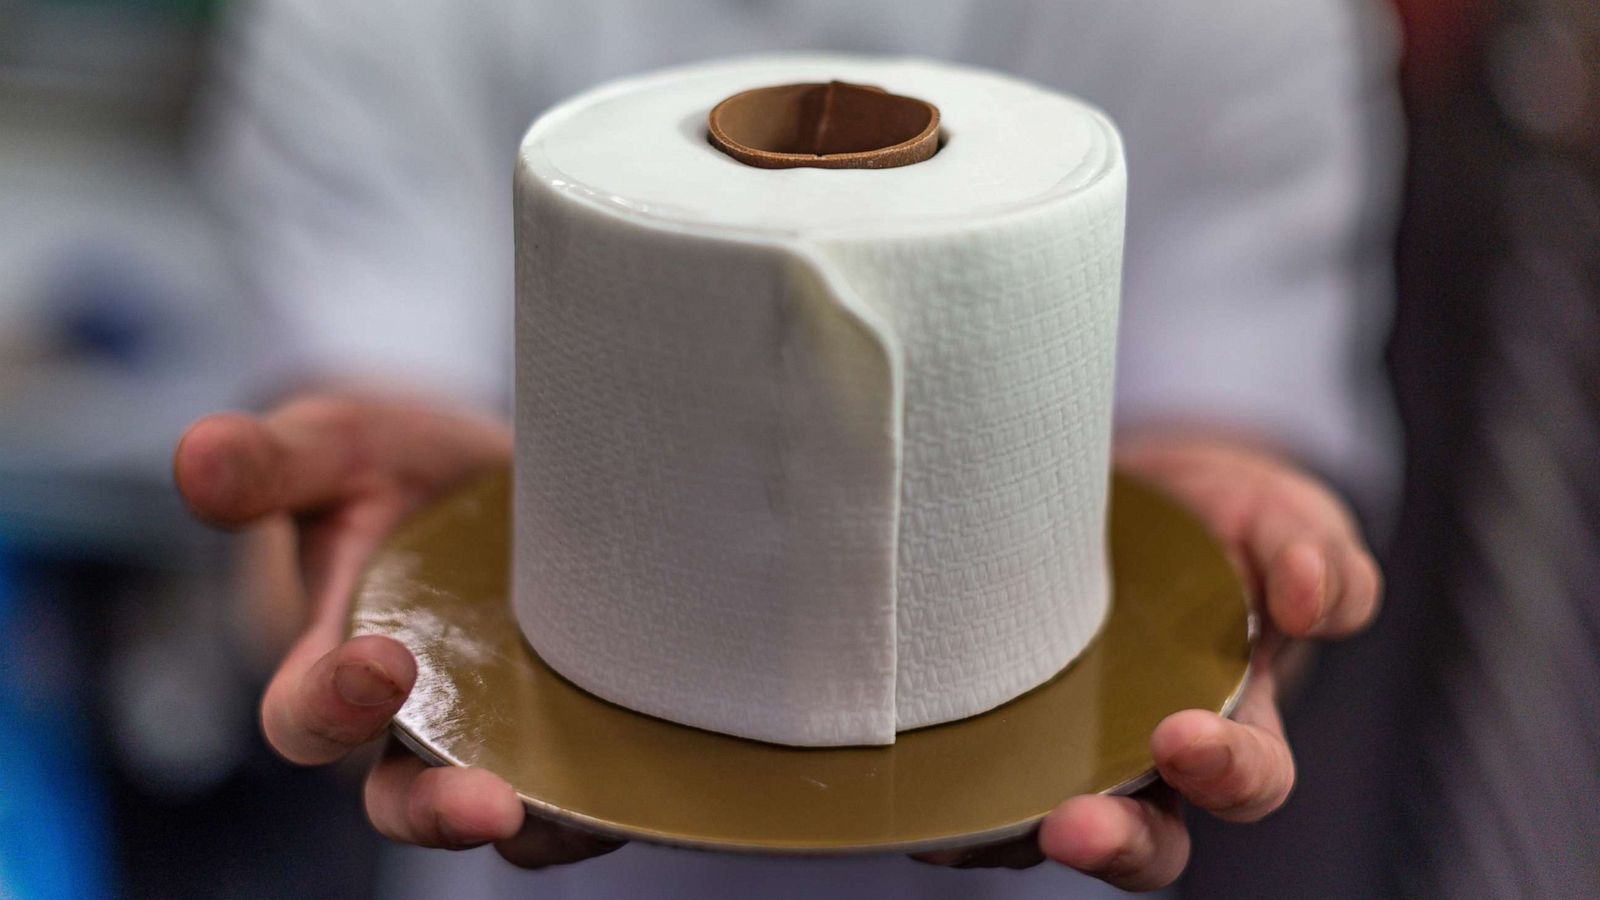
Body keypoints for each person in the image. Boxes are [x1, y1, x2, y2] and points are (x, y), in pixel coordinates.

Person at [175, 0, 1399, 896]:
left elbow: (1223, 415)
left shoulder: (1238, 22)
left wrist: (1225, 579)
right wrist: (355, 596)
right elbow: (357, 444)